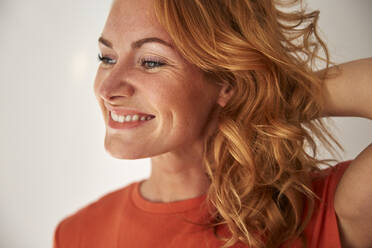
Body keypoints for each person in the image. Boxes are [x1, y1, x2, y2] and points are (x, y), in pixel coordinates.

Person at [53, 0, 372, 247]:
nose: (108, 90)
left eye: (150, 61)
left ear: (226, 81)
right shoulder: (77, 234)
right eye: (106, 58)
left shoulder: (317, 214)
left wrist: (265, 99)